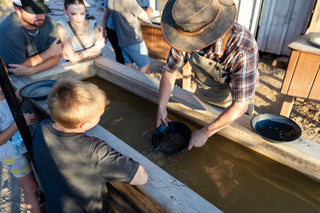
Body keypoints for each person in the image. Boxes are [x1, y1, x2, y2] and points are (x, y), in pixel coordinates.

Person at [32, 79, 148, 212]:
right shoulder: (96, 151)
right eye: (99, 115)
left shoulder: (42, 128)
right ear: (84, 124)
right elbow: (141, 177)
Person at [157, 0, 259, 150]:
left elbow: (240, 105)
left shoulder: (243, 47)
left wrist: (206, 131)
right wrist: (161, 107)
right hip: (203, 95)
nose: (188, 45)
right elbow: (170, 71)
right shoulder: (184, 33)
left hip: (232, 106)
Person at [0, 68, 40, 212]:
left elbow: (10, 107)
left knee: (35, 180)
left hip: (23, 143)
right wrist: (19, 122)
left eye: (6, 76)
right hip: (11, 154)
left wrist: (19, 96)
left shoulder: (3, 94)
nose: (7, 80)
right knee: (30, 187)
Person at [0, 0, 62, 76]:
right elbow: (15, 68)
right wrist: (49, 53)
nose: (39, 16)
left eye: (41, 10)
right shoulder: (9, 31)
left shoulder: (49, 22)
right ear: (17, 10)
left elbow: (55, 58)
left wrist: (33, 70)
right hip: (14, 79)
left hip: (42, 72)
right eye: (33, 12)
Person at [108, 0, 153, 73]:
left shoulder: (110, 1)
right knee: (144, 65)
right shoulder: (129, 1)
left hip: (121, 39)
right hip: (133, 39)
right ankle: (137, 83)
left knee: (128, 65)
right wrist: (149, 10)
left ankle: (125, 83)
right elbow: (146, 18)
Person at [102, 0, 125, 64]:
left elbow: (105, 17)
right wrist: (103, 33)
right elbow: (105, 17)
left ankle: (124, 71)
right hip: (112, 31)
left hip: (120, 30)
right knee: (120, 54)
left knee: (124, 55)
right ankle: (122, 72)